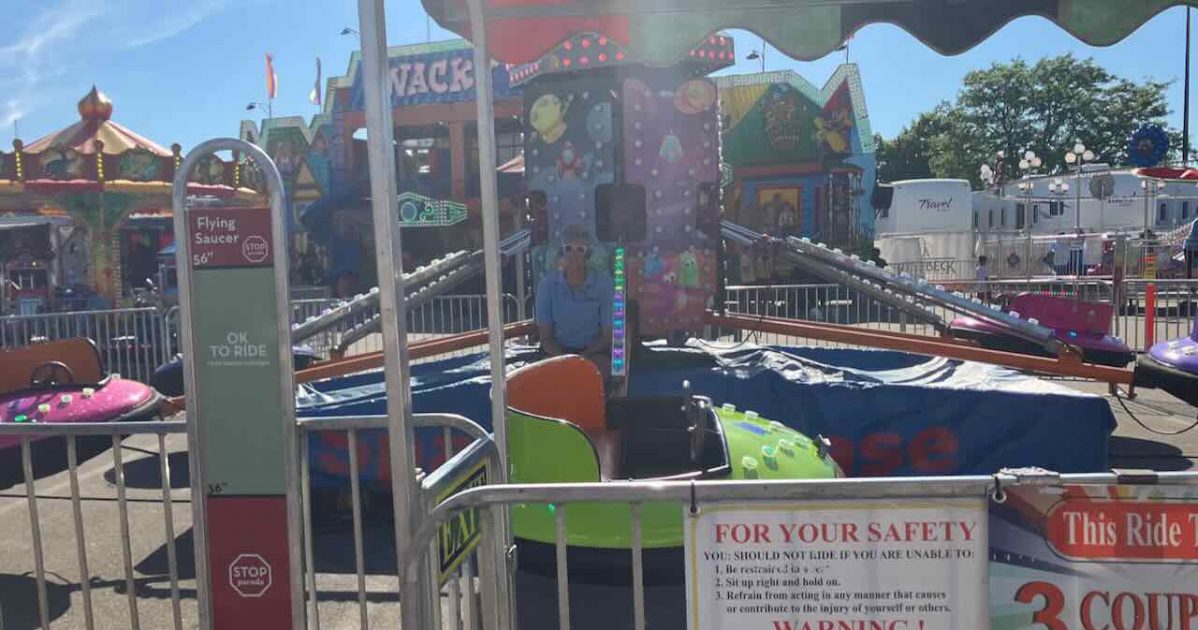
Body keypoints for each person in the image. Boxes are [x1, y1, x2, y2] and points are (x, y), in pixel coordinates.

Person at [535, 224, 614, 377]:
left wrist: (583, 357)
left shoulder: (605, 285)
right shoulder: (546, 286)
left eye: (580, 249)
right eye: (568, 248)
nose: (573, 254)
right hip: (556, 353)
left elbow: (607, 335)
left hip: (593, 354)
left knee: (600, 373)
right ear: (561, 252)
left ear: (588, 254)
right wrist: (565, 359)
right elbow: (546, 337)